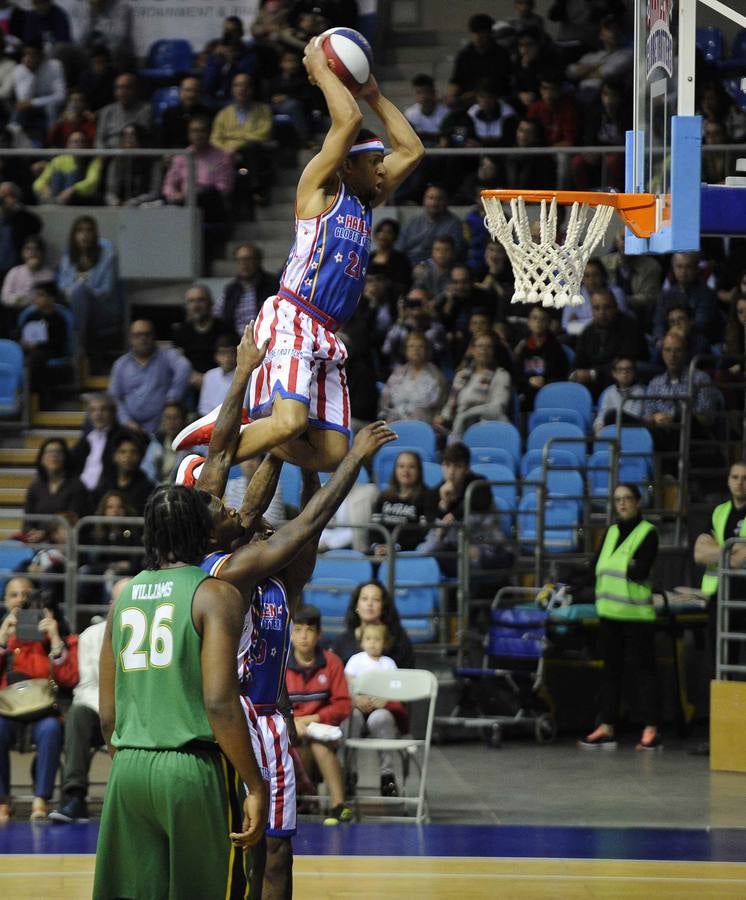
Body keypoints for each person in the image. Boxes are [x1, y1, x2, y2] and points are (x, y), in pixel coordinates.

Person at [183, 329, 397, 899]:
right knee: (238, 852)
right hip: (235, 721)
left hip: (273, 723)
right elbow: (291, 512)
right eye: (217, 501)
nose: (232, 501)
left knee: (280, 858)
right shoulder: (220, 567)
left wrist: (291, 442)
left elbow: (276, 510)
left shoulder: (269, 567)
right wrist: (345, 459)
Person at [174, 37, 423, 473]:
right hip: (294, 315)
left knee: (329, 457)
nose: (384, 169)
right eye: (374, 163)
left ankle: (243, 420)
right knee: (289, 423)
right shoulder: (319, 191)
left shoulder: (367, 203)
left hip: (327, 331)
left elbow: (413, 150)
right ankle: (204, 465)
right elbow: (347, 122)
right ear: (348, 166)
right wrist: (321, 68)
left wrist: (374, 93)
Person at [92, 486, 267, 900]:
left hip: (128, 767)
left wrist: (134, 758)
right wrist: (255, 786)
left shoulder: (125, 597)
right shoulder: (214, 594)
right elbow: (219, 702)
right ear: (203, 532)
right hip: (192, 770)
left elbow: (107, 715)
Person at [578, 484, 661, 752]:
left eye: (627, 499)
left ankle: (651, 729)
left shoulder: (648, 532)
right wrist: (627, 564)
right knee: (610, 672)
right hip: (609, 614)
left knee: (644, 672)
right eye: (618, 500)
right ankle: (607, 726)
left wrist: (626, 566)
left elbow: (641, 570)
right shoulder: (611, 532)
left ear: (638, 502)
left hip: (637, 615)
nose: (622, 504)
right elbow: (595, 568)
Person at [0, 575, 79, 822]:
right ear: (5, 601)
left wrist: (55, 639)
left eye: (27, 596)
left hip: (45, 710)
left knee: (51, 729)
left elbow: (70, 679)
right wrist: (2, 639)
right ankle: (2, 800)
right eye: (15, 596)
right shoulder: (8, 637)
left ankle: (40, 799)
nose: (22, 601)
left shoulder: (62, 638)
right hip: (8, 710)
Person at [285, 604, 353, 824]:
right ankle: (294, 801)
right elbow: (272, 704)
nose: (303, 636)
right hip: (289, 727)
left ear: (319, 634)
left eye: (309, 630)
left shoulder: (332, 663)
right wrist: (292, 722)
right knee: (294, 741)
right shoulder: (280, 663)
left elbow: (343, 705)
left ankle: (338, 805)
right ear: (290, 632)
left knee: (318, 744)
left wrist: (313, 719)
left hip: (321, 729)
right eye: (298, 630)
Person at [48, 615, 106, 822]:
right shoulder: (92, 635)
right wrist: (108, 712)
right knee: (77, 713)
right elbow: (87, 686)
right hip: (101, 711)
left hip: (140, 712)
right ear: (112, 604)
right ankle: (75, 797)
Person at [344, 622, 408, 797]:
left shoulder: (388, 663)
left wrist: (385, 700)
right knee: (350, 718)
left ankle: (387, 775)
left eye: (377, 639)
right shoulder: (355, 660)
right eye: (368, 639)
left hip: (380, 709)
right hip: (358, 707)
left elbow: (396, 689)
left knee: (381, 719)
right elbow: (346, 684)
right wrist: (356, 699)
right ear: (362, 642)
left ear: (385, 643)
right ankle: (349, 773)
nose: (372, 643)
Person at [109, 319, 192, 436]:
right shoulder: (121, 365)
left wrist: (172, 398)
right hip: (131, 429)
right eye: (138, 335)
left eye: (147, 334)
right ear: (130, 339)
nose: (143, 339)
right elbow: (115, 398)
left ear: (154, 336)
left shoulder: (167, 355)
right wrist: (127, 421)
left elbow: (185, 367)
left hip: (162, 428)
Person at [55, 214, 121, 358]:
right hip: (72, 306)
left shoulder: (108, 256)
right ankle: (82, 345)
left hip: (102, 308)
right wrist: (75, 292)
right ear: (74, 235)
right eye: (80, 231)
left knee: (80, 291)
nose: (84, 235)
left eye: (88, 230)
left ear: (94, 233)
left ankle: (80, 343)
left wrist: (83, 290)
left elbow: (106, 290)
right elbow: (61, 286)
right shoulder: (67, 257)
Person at [571, 288, 648, 399]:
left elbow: (624, 360)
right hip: (595, 382)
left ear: (616, 307)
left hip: (625, 380)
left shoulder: (630, 326)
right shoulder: (587, 331)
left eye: (607, 307)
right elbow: (577, 363)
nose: (602, 313)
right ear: (591, 310)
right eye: (597, 308)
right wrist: (576, 374)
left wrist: (593, 374)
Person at [435, 332, 512, 438]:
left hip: (486, 427)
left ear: (494, 351)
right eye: (480, 346)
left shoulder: (501, 375)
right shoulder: (462, 375)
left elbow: (497, 408)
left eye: (488, 347)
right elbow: (451, 404)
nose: (483, 350)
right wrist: (443, 417)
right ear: (472, 350)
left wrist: (466, 415)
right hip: (457, 426)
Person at [331, 580, 416, 669]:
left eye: (375, 599)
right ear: (356, 606)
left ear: (383, 606)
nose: (369, 604)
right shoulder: (342, 641)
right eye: (364, 599)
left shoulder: (399, 640)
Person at [171, 284, 237, 396]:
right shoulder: (181, 332)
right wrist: (190, 374)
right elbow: (176, 362)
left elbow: (234, 359)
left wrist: (209, 379)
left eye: (200, 300)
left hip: (222, 384)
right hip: (191, 386)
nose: (196, 305)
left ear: (211, 303)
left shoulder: (226, 329)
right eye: (191, 301)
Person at [23, 436, 89, 542]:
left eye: (58, 452)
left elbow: (72, 519)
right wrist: (31, 532)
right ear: (41, 459)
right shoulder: (34, 487)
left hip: (67, 544)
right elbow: (27, 520)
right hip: (37, 543)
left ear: (65, 457)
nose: (54, 456)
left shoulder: (77, 486)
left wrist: (45, 533)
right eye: (49, 452)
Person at [370, 450, 436, 554]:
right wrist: (377, 546)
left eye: (411, 467)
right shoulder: (384, 496)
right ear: (395, 470)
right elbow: (374, 527)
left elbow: (422, 533)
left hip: (407, 552)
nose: (406, 471)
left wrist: (396, 547)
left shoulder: (427, 497)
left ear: (419, 471)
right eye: (401, 466)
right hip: (381, 550)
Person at [377, 330, 448, 424]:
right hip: (395, 425)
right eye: (411, 346)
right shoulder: (397, 374)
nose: (416, 350)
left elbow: (441, 407)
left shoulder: (436, 376)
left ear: (427, 350)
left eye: (420, 346)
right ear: (405, 350)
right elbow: (384, 404)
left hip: (424, 426)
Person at [16, 281, 70, 399]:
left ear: (51, 298)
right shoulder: (31, 316)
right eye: (35, 295)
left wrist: (39, 344)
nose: (36, 298)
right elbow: (21, 334)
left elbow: (59, 342)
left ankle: (28, 396)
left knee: (34, 358)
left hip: (49, 351)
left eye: (40, 295)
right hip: (30, 350)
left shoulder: (58, 318)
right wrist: (23, 342)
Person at [214, 242, 279, 337]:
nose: (244, 264)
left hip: (265, 339)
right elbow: (218, 315)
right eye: (240, 260)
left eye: (248, 259)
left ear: (258, 261)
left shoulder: (273, 285)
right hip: (236, 342)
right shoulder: (231, 289)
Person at [513, 305, 569, 411]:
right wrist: (529, 381)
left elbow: (563, 376)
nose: (538, 322)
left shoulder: (556, 349)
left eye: (542, 319)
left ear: (548, 323)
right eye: (534, 318)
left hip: (550, 393)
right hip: (527, 394)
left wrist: (546, 382)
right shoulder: (523, 347)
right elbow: (516, 376)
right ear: (529, 322)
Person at [396, 184, 466, 266]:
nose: (434, 203)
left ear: (446, 201)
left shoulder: (454, 224)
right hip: (407, 264)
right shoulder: (413, 221)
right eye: (430, 198)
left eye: (439, 199)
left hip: (435, 267)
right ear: (424, 200)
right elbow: (399, 246)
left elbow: (454, 253)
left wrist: (424, 265)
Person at [32, 129, 102, 204]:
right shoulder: (58, 160)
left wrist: (72, 189)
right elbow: (39, 182)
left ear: (86, 145)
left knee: (72, 176)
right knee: (57, 175)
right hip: (57, 195)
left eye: (82, 141)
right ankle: (54, 203)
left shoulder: (93, 161)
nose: (79, 145)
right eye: (75, 142)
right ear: (68, 145)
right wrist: (44, 188)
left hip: (78, 197)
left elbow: (92, 182)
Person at [69, 392, 121, 493]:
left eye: (103, 409)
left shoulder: (120, 438)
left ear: (112, 413)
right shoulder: (86, 439)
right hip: (82, 492)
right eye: (93, 410)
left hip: (108, 493)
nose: (98, 414)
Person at [93, 430, 153, 516]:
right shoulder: (104, 485)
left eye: (133, 452)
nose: (128, 456)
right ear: (115, 456)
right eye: (122, 452)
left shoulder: (147, 488)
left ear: (140, 457)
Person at [104, 122, 161, 208]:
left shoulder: (153, 162)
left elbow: (154, 192)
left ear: (140, 138)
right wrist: (115, 202)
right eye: (124, 136)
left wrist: (133, 202)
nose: (127, 139)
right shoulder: (116, 161)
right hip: (119, 206)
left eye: (132, 135)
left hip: (143, 205)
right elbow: (110, 190)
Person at [95, 71, 151, 149]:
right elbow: (99, 140)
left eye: (127, 87)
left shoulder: (145, 109)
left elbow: (143, 138)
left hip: (136, 155)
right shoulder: (107, 111)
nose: (122, 92)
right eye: (119, 88)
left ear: (135, 89)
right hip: (110, 157)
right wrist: (105, 155)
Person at [158, 74, 213, 149]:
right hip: (174, 154)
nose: (191, 95)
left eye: (195, 90)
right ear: (180, 92)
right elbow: (163, 140)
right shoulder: (169, 114)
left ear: (200, 93)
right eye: (187, 90)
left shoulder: (209, 113)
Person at [593, 357, 646, 433]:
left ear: (634, 372)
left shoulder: (640, 391)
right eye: (620, 369)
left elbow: (635, 417)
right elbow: (602, 415)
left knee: (612, 414)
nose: (625, 372)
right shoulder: (608, 392)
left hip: (633, 431)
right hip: (610, 431)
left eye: (628, 369)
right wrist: (598, 426)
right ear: (614, 374)